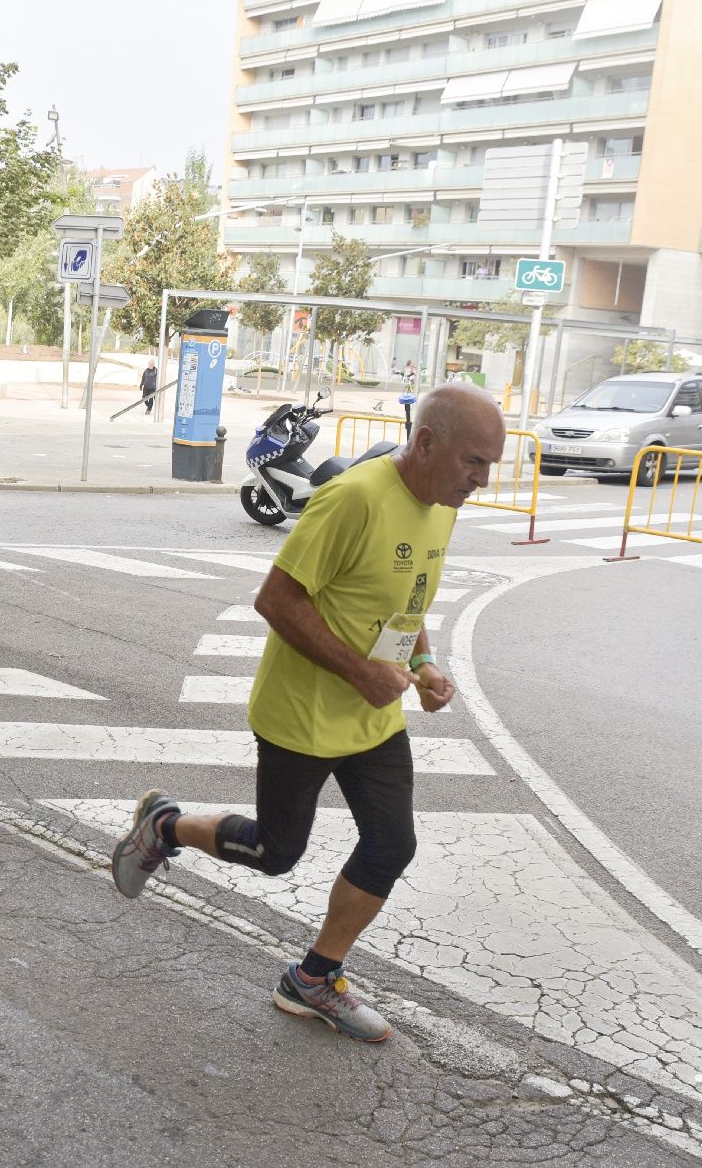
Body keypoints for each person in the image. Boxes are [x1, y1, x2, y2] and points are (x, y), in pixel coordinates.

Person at [108, 384, 506, 1043]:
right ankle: (164, 825)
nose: (481, 480)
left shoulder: (441, 504)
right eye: (474, 462)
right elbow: (276, 599)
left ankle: (314, 975)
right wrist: (361, 670)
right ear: (428, 442)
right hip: (303, 713)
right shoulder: (354, 498)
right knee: (276, 851)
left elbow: (404, 602)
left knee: (391, 844)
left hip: (373, 716)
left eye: (490, 465)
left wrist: (426, 662)